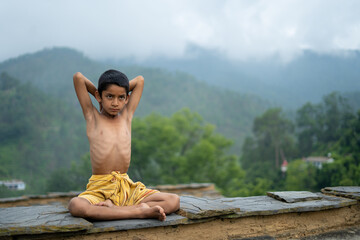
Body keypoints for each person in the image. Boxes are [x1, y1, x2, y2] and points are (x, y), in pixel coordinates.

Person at [68, 70, 180, 221]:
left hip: (127, 188)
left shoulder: (126, 117)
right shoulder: (92, 117)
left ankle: (117, 209)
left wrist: (109, 92)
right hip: (100, 188)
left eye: (121, 97)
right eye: (109, 96)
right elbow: (78, 78)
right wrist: (99, 93)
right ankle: (138, 212)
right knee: (76, 206)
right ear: (98, 96)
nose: (115, 103)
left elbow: (140, 80)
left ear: (127, 98)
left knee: (174, 200)